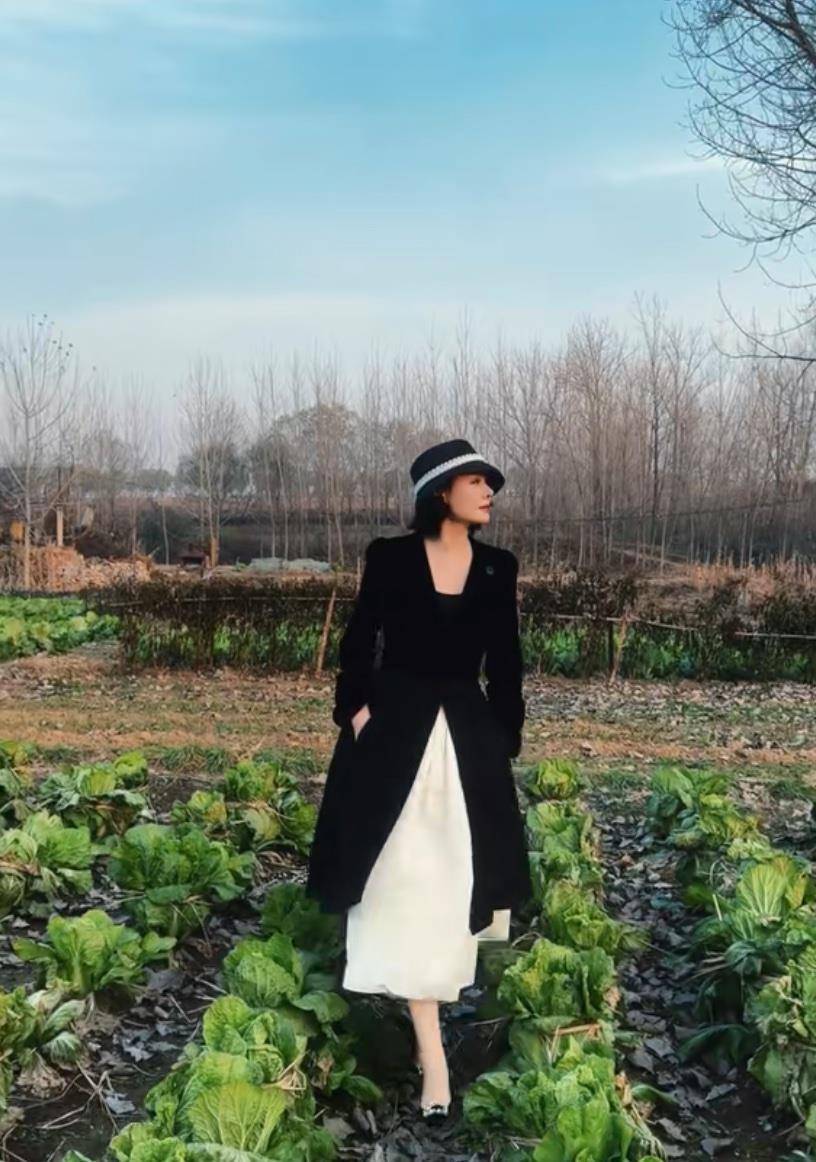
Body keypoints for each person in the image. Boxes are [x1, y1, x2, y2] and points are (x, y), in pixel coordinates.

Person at [305, 438, 532, 1121]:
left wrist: (504, 735)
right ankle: (433, 1059)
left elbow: (508, 661)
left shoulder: (497, 567)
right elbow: (359, 640)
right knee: (398, 884)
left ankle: (422, 1033)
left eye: (490, 483)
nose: (489, 492)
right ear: (440, 492)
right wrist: (355, 712)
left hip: (466, 744)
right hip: (391, 740)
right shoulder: (390, 557)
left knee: (450, 887)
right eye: (476, 481)